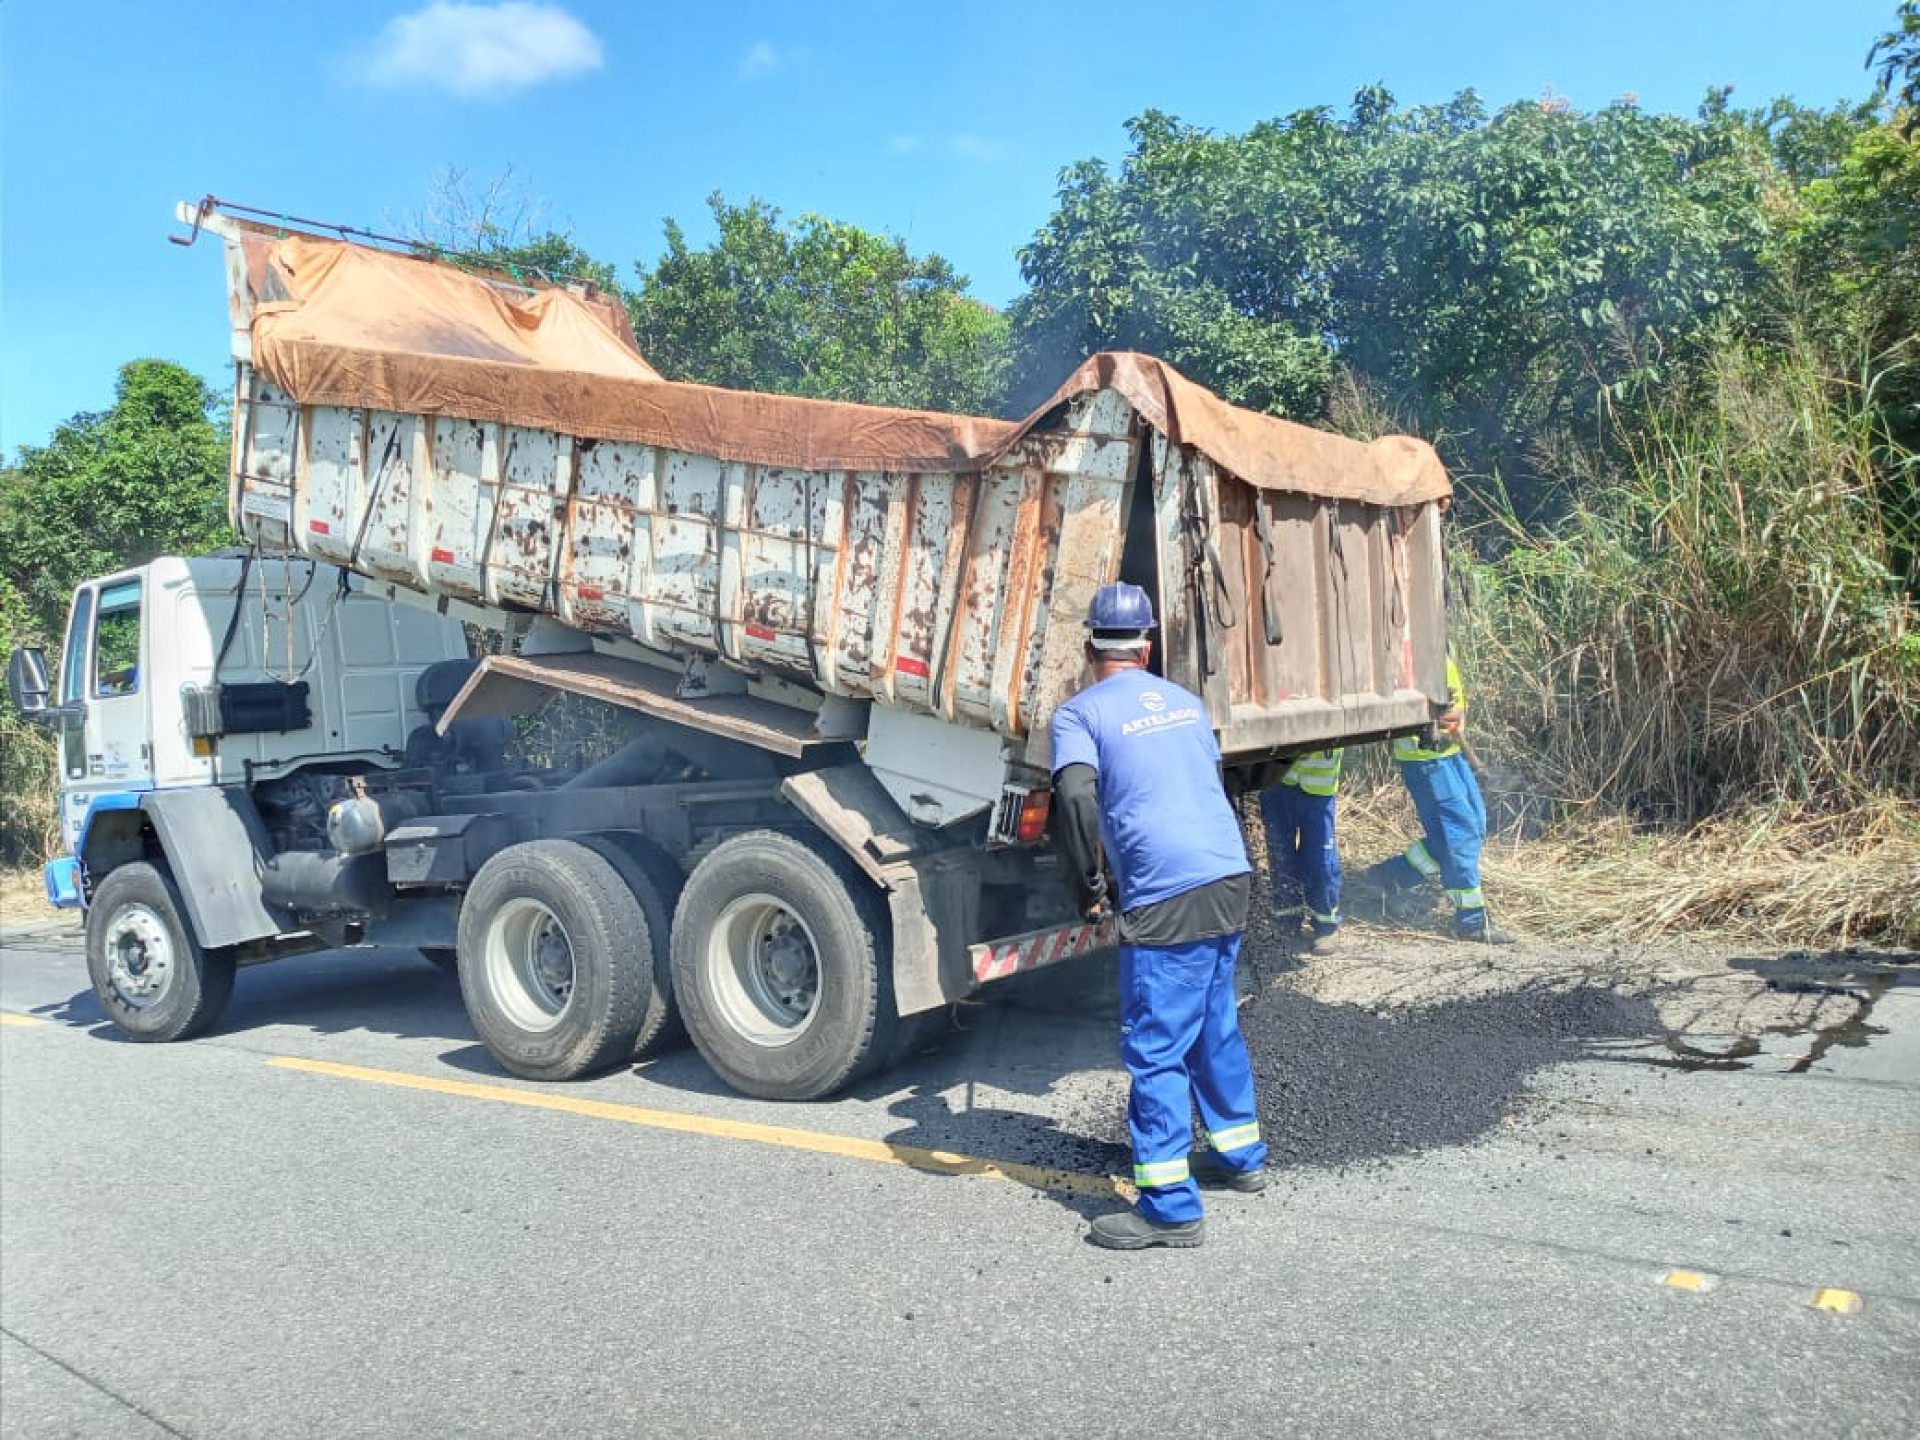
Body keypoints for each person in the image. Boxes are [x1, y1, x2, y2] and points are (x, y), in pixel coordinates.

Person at [1049, 581, 1269, 1251]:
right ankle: (1240, 1156)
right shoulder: (1186, 704)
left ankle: (1170, 1207)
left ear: (1089, 646)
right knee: (1212, 1024)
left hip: (1166, 892)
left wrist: (1090, 883)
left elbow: (1077, 799)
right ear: (1148, 645)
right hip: (1228, 875)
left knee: (1155, 1048)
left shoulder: (1079, 715)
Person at [1367, 652, 1515, 944]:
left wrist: (1454, 714)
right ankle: (1471, 922)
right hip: (1426, 757)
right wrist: (1437, 716)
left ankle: (1391, 876)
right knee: (1460, 835)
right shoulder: (1409, 646)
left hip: (1449, 752)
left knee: (1473, 827)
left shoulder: (1438, 639)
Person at [1258, 747, 1344, 953]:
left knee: (1321, 861)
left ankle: (1326, 926)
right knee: (1281, 858)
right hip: (1277, 781)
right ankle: (1288, 923)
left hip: (1317, 790)